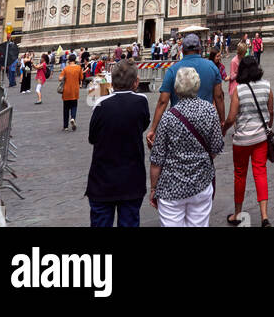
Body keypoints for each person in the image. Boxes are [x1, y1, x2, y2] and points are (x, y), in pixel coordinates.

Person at [149, 66, 224, 227]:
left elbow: (157, 159)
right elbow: (217, 146)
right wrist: (202, 158)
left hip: (171, 187)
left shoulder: (168, 117)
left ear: (176, 89)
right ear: (197, 86)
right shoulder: (209, 111)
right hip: (201, 182)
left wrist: (153, 188)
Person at [85, 58, 150, 227]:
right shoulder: (141, 101)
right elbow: (143, 125)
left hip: (102, 180)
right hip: (132, 179)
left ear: (111, 83)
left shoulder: (100, 105)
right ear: (136, 82)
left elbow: (92, 137)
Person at [147, 32, 224, 149]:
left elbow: (163, 102)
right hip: (205, 122)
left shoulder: (173, 70)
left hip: (178, 123)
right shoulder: (212, 67)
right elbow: (219, 96)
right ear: (200, 49)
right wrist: (222, 120)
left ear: (182, 50)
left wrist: (153, 129)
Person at [223, 52, 274, 227]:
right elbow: (271, 113)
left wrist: (223, 130)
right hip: (260, 138)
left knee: (240, 175)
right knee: (260, 173)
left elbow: (231, 118)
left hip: (242, 140)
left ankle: (238, 214)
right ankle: (264, 216)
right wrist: (268, 127)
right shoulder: (267, 86)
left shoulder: (239, 90)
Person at [60, 53, 83, 130]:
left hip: (66, 90)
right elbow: (81, 77)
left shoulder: (66, 69)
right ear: (75, 60)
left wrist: (65, 77)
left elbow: (60, 78)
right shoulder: (78, 67)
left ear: (69, 60)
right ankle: (73, 118)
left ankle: (65, 126)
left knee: (66, 108)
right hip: (75, 90)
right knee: (74, 106)